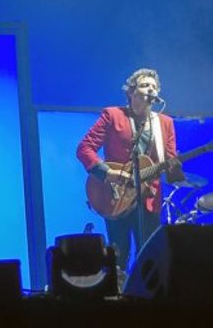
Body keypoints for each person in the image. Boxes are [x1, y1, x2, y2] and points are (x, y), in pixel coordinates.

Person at [76, 68, 182, 274]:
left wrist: (176, 167)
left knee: (150, 258)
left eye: (154, 86)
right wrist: (108, 173)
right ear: (131, 92)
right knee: (118, 257)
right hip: (116, 195)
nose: (150, 89)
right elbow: (84, 149)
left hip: (149, 198)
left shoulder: (165, 123)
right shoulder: (113, 115)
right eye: (145, 85)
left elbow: (169, 163)